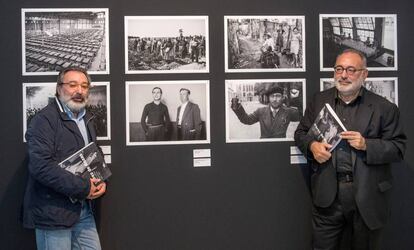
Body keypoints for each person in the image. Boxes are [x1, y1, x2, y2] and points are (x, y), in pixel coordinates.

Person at [294, 49, 407, 250]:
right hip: (327, 195)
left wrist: (367, 145)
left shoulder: (384, 108)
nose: (343, 75)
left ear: (364, 74)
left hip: (367, 196)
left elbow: (398, 148)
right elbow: (301, 133)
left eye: (351, 70)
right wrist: (312, 146)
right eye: (339, 69)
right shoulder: (319, 100)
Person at [22, 67, 107, 250]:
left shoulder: (87, 118)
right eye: (73, 85)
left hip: (84, 211)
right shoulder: (43, 120)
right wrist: (84, 188)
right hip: (53, 213)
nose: (79, 90)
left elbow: (94, 153)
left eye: (84, 86)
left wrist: (100, 179)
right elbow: (41, 166)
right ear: (59, 88)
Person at [231, 86, 301, 138]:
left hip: (280, 147)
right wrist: (237, 107)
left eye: (278, 96)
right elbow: (247, 120)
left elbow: (302, 115)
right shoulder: (260, 111)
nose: (275, 99)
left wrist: (297, 99)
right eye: (272, 96)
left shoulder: (288, 112)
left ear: (282, 97)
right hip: (264, 147)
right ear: (269, 98)